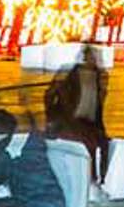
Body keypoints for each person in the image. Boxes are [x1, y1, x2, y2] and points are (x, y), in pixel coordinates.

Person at [46, 44, 110, 190]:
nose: (94, 60)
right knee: (90, 144)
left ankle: (100, 180)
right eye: (90, 56)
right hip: (69, 120)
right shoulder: (70, 73)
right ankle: (91, 181)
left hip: (88, 123)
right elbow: (50, 94)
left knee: (104, 144)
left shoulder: (99, 76)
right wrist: (52, 117)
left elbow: (97, 108)